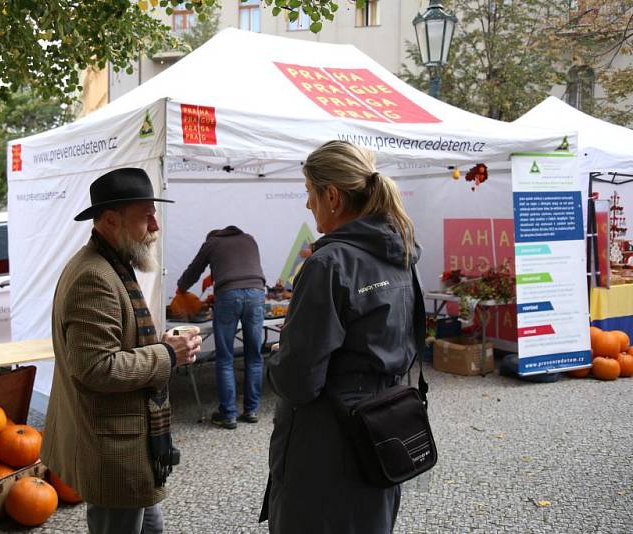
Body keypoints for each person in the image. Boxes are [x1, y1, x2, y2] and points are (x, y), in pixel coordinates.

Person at [261, 141, 420, 533]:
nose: (307, 206)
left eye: (309, 194)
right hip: (384, 428)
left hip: (328, 445)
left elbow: (300, 380)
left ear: (331, 196)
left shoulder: (328, 263)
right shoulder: (401, 254)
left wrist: (278, 357)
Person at [41, 167, 203, 534]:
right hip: (112, 448)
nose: (156, 226)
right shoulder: (94, 276)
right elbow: (97, 367)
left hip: (125, 445)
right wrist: (168, 354)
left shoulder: (109, 265)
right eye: (147, 215)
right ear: (112, 220)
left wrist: (159, 346)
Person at [177, 225, 266, 429]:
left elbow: (194, 269)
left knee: (225, 357)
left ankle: (228, 415)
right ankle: (251, 410)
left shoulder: (212, 242)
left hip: (228, 296)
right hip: (256, 294)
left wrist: (181, 287)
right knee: (254, 355)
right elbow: (243, 267)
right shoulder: (249, 239)